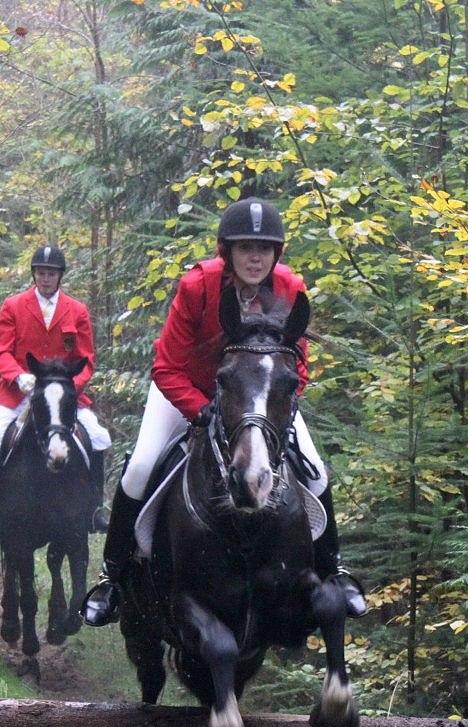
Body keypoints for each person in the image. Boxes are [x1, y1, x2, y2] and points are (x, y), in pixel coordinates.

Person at [81, 196, 367, 627]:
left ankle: (336, 569)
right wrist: (201, 411)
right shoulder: (197, 286)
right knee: (140, 467)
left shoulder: (291, 287)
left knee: (317, 470)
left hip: (261, 401)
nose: (255, 257)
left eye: (265, 249)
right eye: (245, 247)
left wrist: (276, 405)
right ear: (226, 251)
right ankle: (112, 578)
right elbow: (166, 366)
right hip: (187, 390)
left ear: (277, 253)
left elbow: (299, 364)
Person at [0, 244, 111, 536]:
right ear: (34, 274)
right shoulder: (13, 306)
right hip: (20, 393)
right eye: (41, 273)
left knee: (98, 437)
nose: (46, 279)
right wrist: (17, 376)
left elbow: (86, 360)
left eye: (51, 274)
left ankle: (96, 507)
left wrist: (70, 388)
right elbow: (0, 351)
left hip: (62, 397)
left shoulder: (77, 310)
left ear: (60, 276)